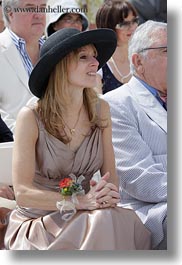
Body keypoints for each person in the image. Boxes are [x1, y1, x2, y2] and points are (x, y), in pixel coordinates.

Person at [4, 28, 151, 250]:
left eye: (95, 56)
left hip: (89, 214)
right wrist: (77, 201)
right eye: (84, 57)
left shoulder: (101, 110)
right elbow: (23, 194)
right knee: (104, 222)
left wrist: (107, 194)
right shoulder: (31, 117)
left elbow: (111, 179)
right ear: (60, 65)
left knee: (122, 220)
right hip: (40, 223)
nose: (96, 63)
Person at [103, 20, 167, 250]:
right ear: (138, 61)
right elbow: (142, 181)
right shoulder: (116, 104)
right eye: (167, 51)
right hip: (152, 211)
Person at [0, 0, 47, 132]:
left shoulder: (56, 50)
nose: (39, 15)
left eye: (42, 8)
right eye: (30, 8)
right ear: (11, 13)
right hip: (10, 147)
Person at [95, 0, 139, 94]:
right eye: (124, 24)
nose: (132, 27)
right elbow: (96, 104)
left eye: (134, 21)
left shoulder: (142, 58)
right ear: (108, 27)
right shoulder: (97, 64)